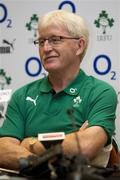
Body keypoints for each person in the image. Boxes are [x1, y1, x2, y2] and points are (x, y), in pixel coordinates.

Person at [0, 10, 118, 171]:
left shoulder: (101, 92)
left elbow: (85, 146)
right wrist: (44, 165)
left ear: (79, 45)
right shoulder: (22, 96)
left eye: (55, 40)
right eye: (41, 41)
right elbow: (3, 150)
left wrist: (30, 143)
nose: (46, 48)